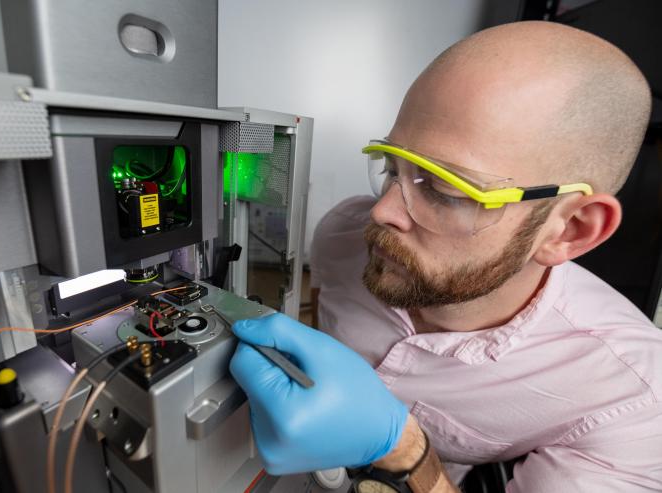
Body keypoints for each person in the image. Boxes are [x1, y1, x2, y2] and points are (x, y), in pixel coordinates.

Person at [230, 20, 662, 492]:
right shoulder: (342, 235)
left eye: (443, 190)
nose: (382, 212)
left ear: (570, 229)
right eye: (392, 168)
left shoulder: (633, 399)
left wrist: (403, 451)